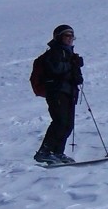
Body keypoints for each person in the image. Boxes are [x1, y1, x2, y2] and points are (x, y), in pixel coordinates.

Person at [34, 24, 84, 164]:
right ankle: (44, 152)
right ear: (58, 37)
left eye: (72, 36)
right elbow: (56, 69)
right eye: (67, 35)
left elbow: (71, 73)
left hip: (68, 92)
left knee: (68, 124)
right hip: (57, 91)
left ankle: (57, 152)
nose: (70, 39)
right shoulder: (54, 52)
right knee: (60, 122)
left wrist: (76, 70)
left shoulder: (68, 53)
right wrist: (72, 64)